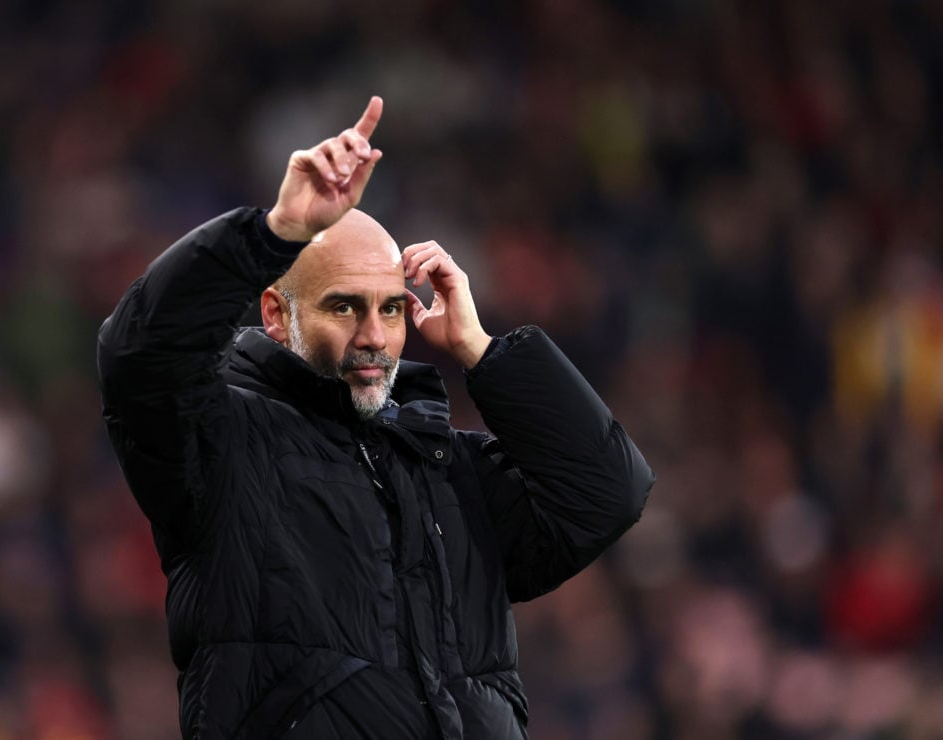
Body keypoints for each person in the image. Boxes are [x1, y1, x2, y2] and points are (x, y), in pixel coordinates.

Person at [97, 95, 654, 739]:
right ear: (277, 314)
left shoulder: (449, 469)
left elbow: (607, 494)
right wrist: (272, 233)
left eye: (391, 309)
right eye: (344, 307)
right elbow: (140, 354)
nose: (373, 335)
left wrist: (483, 352)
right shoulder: (223, 446)